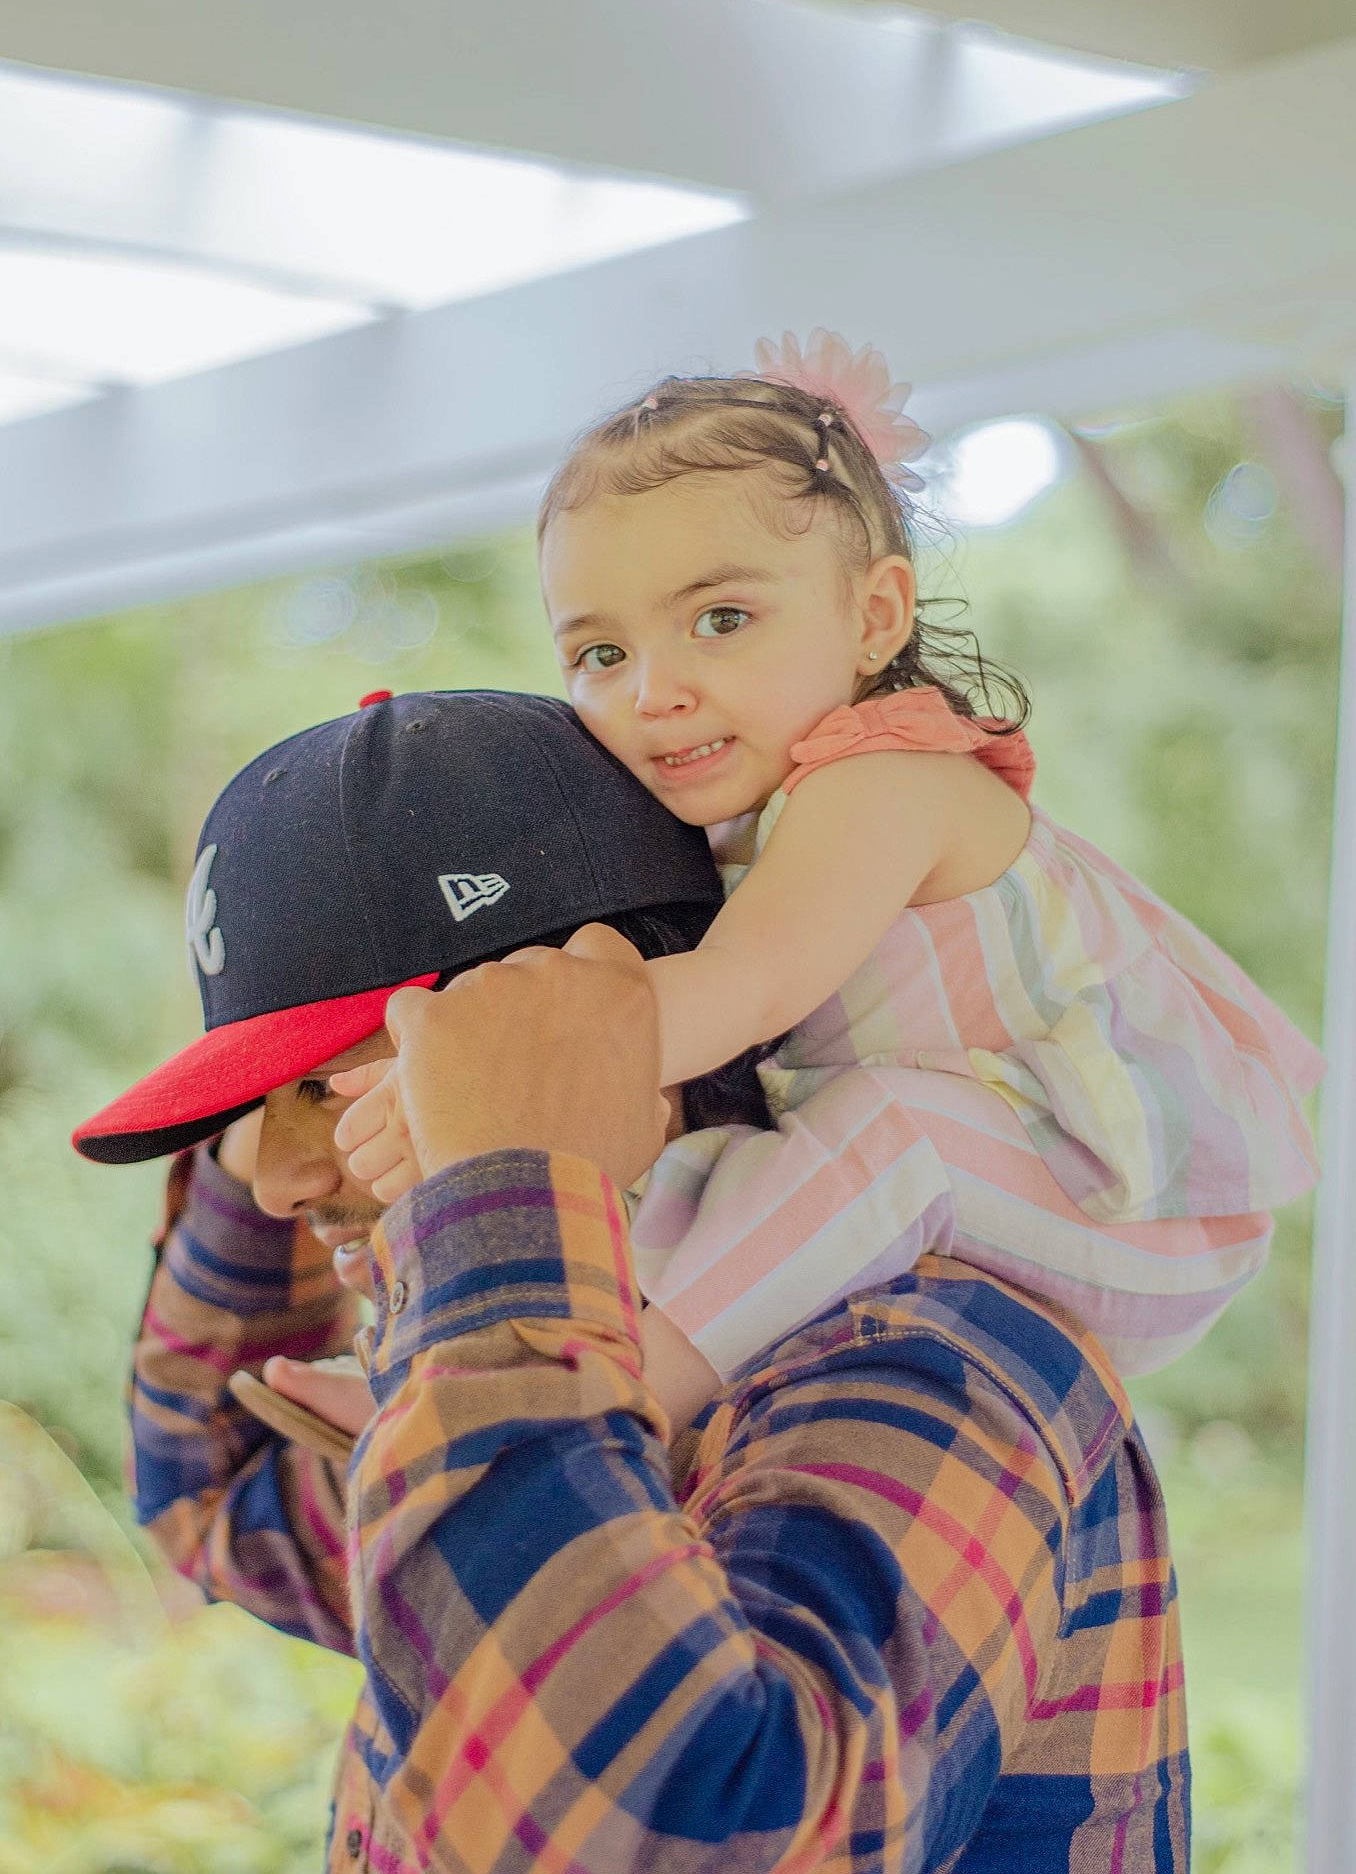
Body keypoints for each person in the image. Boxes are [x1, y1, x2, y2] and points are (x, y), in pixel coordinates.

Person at [77, 688, 1189, 1869]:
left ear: (609, 1016)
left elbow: (660, 1833)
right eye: (259, 1103)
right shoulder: (537, 1360)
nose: (277, 1185)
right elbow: (215, 1490)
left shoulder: (937, 1363)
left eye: (321, 1090)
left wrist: (510, 1189)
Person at [335, 328, 1323, 1391]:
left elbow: (743, 984)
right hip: (962, 1188)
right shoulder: (724, 826)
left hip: (1132, 1211)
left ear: (873, 616)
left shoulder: (884, 779)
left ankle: (613, 1396)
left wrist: (495, 1067)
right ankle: (443, 1370)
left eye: (721, 617)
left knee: (886, 1127)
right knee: (693, 1169)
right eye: (601, 653)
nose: (652, 689)